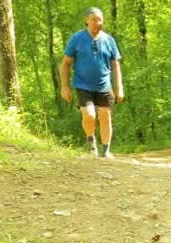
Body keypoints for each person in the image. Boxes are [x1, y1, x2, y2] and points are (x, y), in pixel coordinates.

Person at [59, 7, 123, 158]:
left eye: (100, 19)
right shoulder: (76, 39)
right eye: (94, 19)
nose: (97, 23)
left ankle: (106, 150)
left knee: (105, 116)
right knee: (89, 115)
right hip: (83, 85)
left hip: (104, 85)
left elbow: (115, 64)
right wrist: (64, 86)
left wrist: (119, 87)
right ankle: (90, 141)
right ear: (86, 21)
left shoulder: (109, 40)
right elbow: (66, 63)